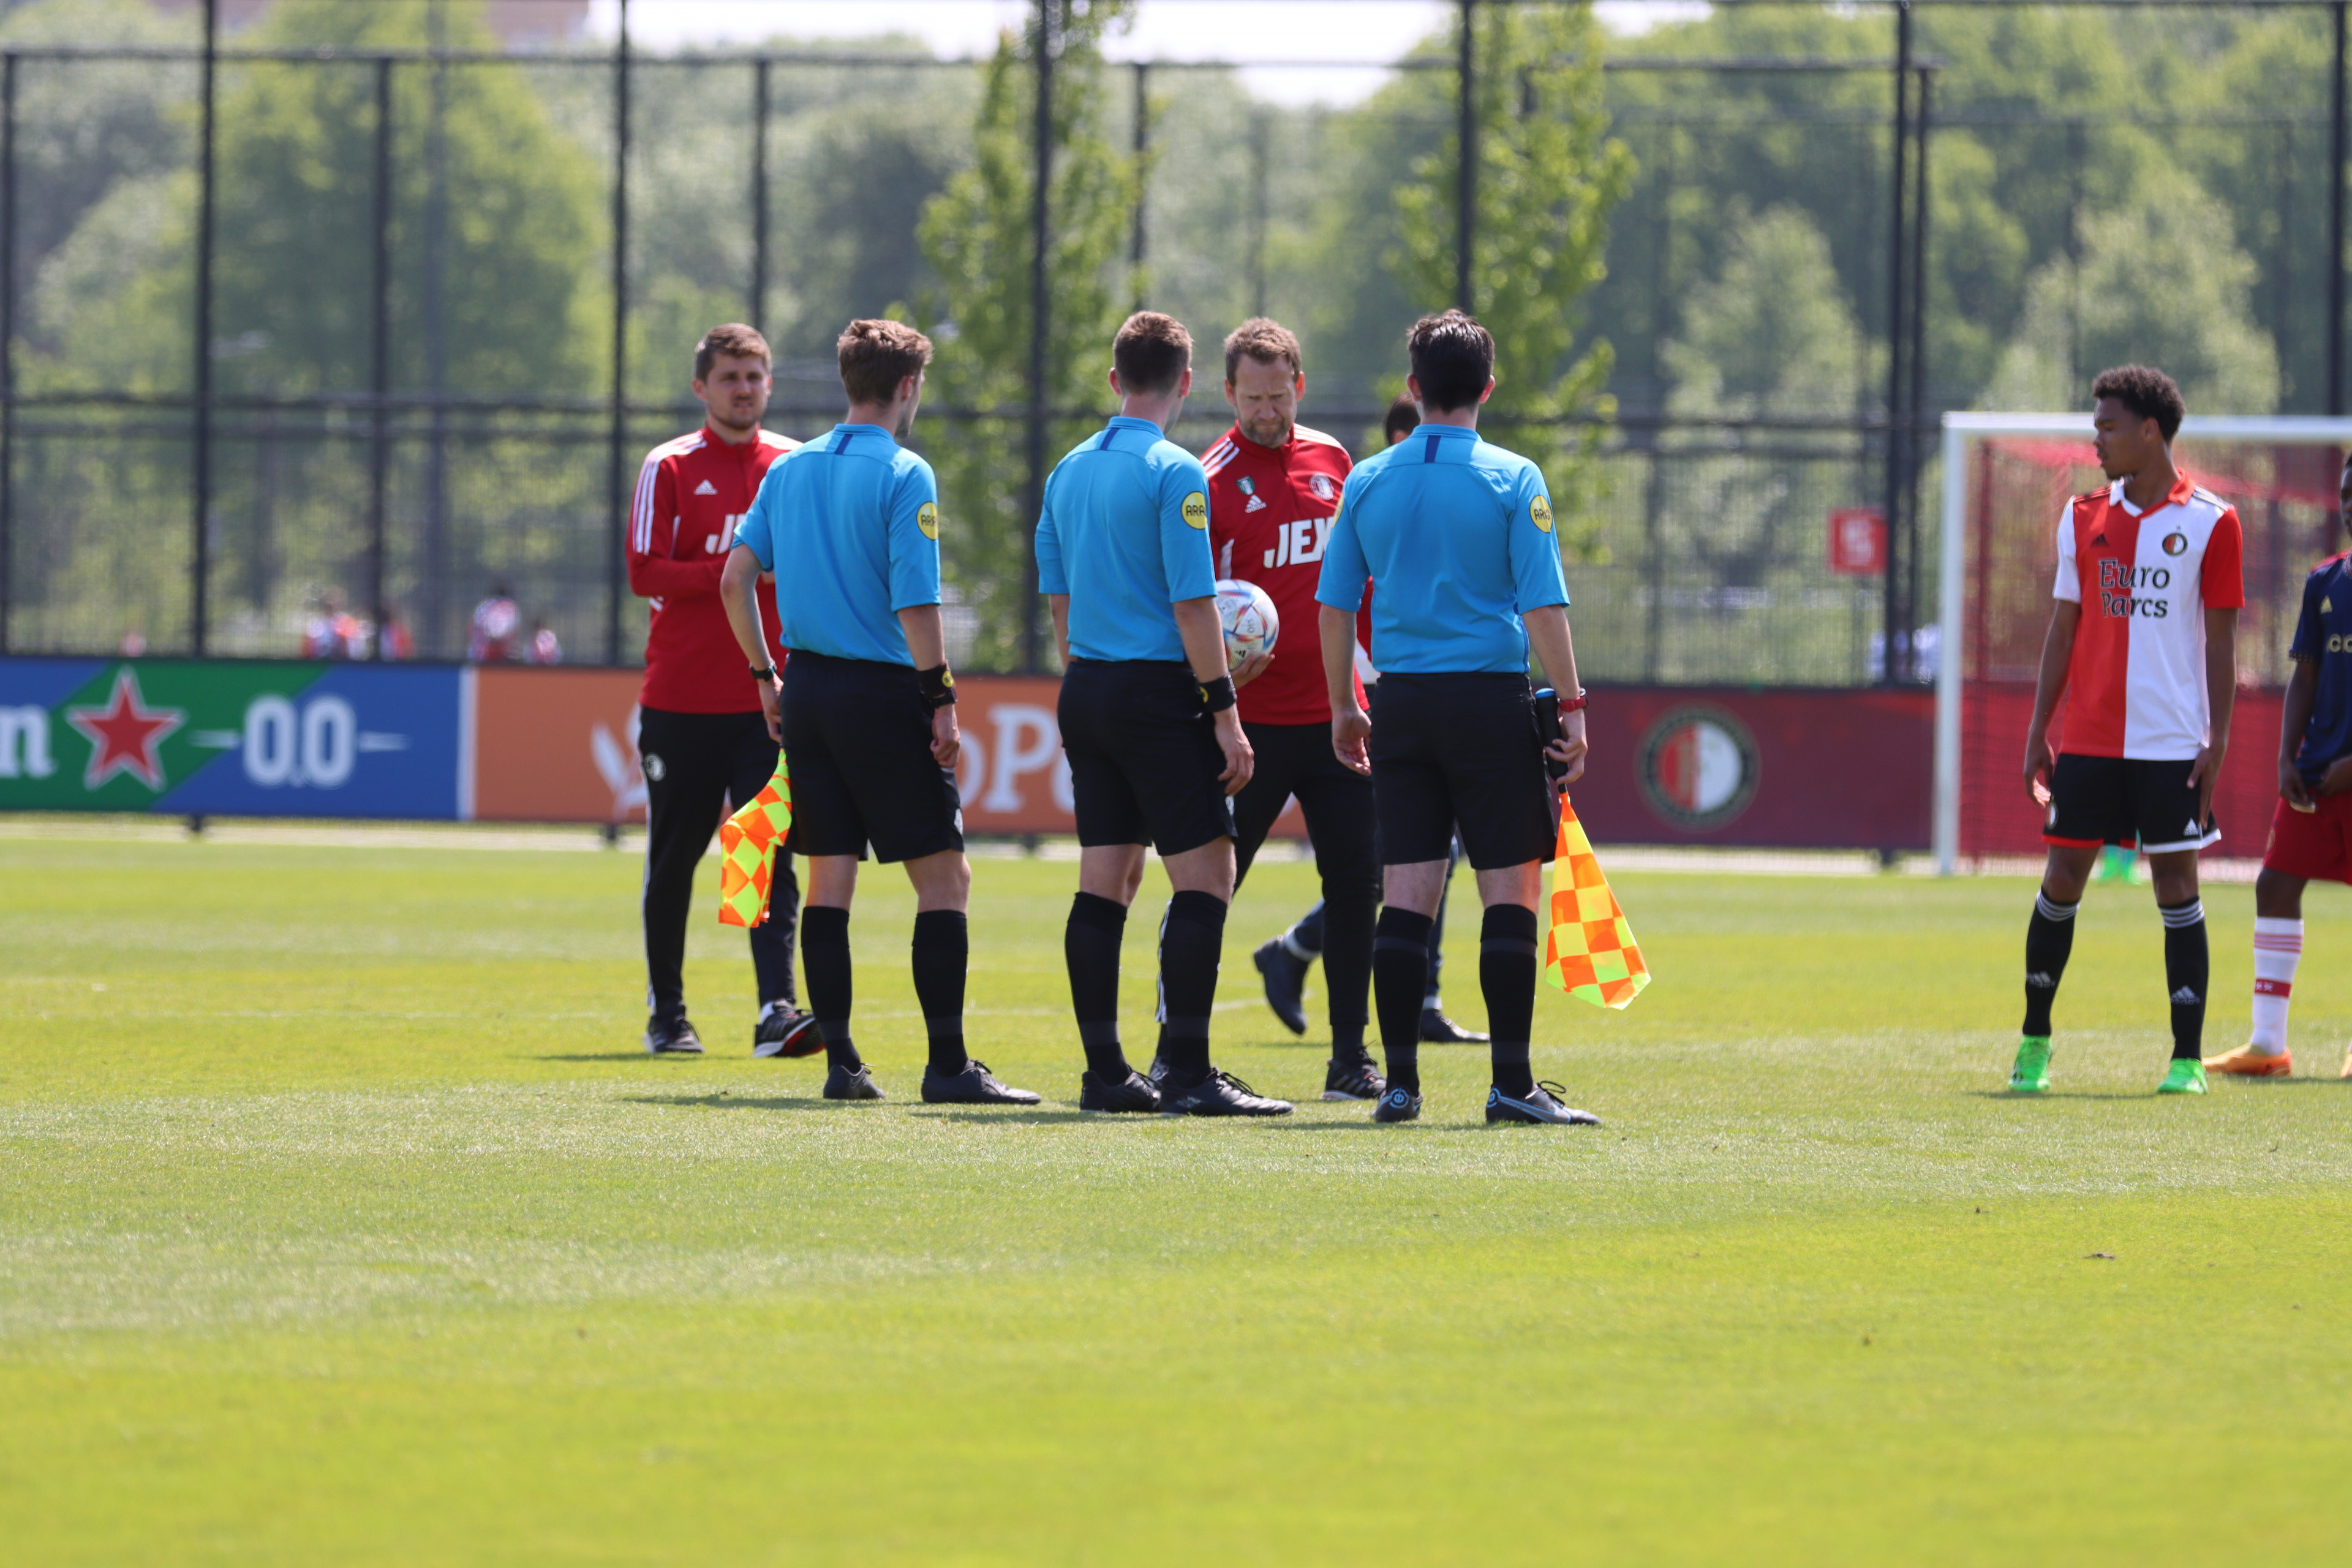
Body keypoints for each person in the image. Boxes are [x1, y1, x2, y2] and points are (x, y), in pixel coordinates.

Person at [722, 318, 1037, 1107]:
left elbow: (734, 579)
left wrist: (765, 676)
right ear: (908, 386)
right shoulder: (904, 471)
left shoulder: (789, 468)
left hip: (808, 691)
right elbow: (917, 603)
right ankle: (948, 1066)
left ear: (847, 381)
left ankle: (843, 1064)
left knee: (830, 877)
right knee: (946, 877)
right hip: (881, 695)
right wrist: (941, 699)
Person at [1314, 310, 1599, 1127]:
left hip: (1401, 704)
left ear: (1413, 388)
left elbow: (1333, 607)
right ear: (1489, 388)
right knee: (1510, 888)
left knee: (1408, 893)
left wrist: (1345, 706)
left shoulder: (1368, 479)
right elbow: (1542, 608)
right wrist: (1572, 707)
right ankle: (1511, 1086)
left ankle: (1400, 1085)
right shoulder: (1514, 478)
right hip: (1488, 702)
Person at [1038, 310, 1292, 1117]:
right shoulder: (1176, 471)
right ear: (1186, 382)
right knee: (1209, 874)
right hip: (1154, 695)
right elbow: (1193, 604)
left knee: (1106, 877)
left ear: (1117, 379)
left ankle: (1106, 1074)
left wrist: (1087, 675)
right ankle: (1187, 1071)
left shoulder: (1067, 469)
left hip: (1086, 687)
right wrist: (1225, 711)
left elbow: (1058, 598)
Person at [2013, 364, 2242, 1096]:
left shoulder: (2213, 521)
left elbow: (2223, 644)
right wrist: (2038, 730)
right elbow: (2062, 631)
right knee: (2061, 880)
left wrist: (2218, 739)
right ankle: (2034, 1042)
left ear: (2150, 430)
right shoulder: (2081, 516)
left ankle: (2186, 1060)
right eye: (2096, 428)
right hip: (2088, 739)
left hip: (2171, 743)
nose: (2097, 441)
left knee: (2177, 884)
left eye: (2109, 427)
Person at [1253, 390, 1487, 1050]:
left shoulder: (1411, 497)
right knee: (1406, 849)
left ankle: (1344, 968)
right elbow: (1343, 601)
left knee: (1427, 849)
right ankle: (1302, 953)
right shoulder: (1374, 496)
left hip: (1407, 687)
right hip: (1374, 692)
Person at [1197, 318, 1384, 1103]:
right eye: (1253, 398)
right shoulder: (1207, 479)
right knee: (1209, 885)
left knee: (1357, 887)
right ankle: (1182, 1052)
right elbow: (1193, 604)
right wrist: (1214, 698)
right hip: (1248, 727)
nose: (1267, 411)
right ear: (1228, 392)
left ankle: (1350, 1060)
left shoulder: (1335, 461)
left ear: (1299, 387)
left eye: (1279, 396)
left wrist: (1369, 680)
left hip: (1336, 716)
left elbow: (1358, 582)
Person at [627, 323, 812, 1059]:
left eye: (755, 376)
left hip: (766, 699)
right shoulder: (668, 465)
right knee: (676, 858)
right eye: (730, 377)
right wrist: (739, 568)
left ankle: (775, 1009)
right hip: (680, 699)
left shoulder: (793, 466)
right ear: (700, 386)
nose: (744, 389)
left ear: (770, 384)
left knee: (760, 849)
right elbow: (644, 570)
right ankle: (668, 1014)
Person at [2207, 453, 2352, 1080]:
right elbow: (2306, 675)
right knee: (2275, 884)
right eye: (2346, 494)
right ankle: (2268, 1045)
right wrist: (2285, 756)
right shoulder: (2325, 581)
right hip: (2317, 774)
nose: (2349, 505)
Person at [469, 585, 521, 662]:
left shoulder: (484, 605)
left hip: (479, 654)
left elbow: (471, 627)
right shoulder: (509, 607)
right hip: (498, 654)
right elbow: (509, 632)